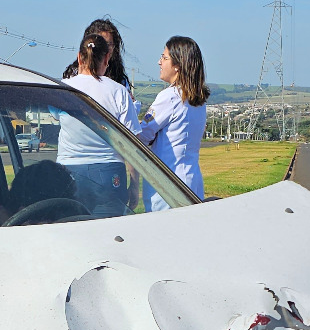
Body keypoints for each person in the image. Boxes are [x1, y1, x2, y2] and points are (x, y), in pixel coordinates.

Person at [56, 32, 139, 217]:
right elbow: (132, 143)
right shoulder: (119, 92)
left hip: (68, 171)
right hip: (108, 173)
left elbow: (56, 117)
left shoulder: (62, 89)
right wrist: (134, 184)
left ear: (79, 57)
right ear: (107, 58)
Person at [140, 36, 209, 207]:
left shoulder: (169, 97)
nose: (159, 62)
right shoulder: (197, 100)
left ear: (177, 65)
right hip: (191, 180)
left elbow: (142, 135)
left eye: (164, 58)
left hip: (168, 185)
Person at [62, 17, 131, 90]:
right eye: (99, 44)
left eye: (108, 44)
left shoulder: (120, 80)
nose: (104, 48)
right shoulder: (72, 76)